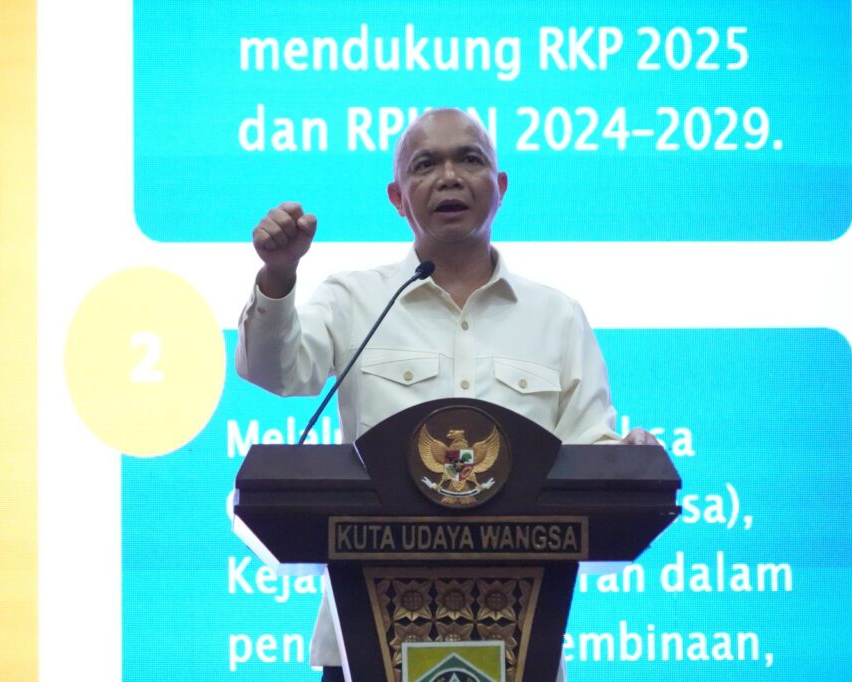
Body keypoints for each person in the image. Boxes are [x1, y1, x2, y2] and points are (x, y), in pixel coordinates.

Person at [236, 108, 657, 682]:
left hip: (520, 642)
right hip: (363, 642)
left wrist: (624, 464)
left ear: (500, 187)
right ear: (398, 198)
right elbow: (273, 370)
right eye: (426, 165)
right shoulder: (353, 299)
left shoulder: (555, 316)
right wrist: (279, 275)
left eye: (470, 159)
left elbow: (587, 454)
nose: (450, 177)